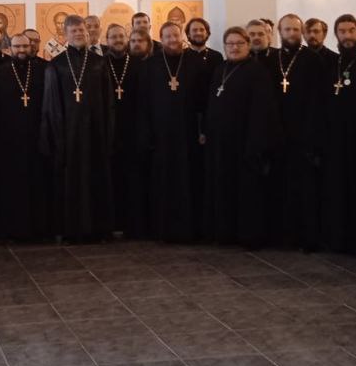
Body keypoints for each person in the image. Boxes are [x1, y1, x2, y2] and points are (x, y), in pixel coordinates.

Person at [40, 14, 115, 242]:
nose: (79, 34)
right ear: (65, 34)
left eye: (81, 30)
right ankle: (72, 230)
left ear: (87, 32)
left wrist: (109, 133)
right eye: (73, 31)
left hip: (95, 133)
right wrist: (56, 137)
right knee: (70, 181)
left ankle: (98, 229)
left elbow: (108, 102)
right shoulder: (56, 64)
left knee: (95, 179)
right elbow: (51, 105)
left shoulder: (99, 63)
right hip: (68, 135)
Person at [203, 27, 277, 247]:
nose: (234, 48)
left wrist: (255, 143)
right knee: (223, 188)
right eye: (230, 44)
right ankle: (225, 232)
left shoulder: (257, 72)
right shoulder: (220, 69)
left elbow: (262, 111)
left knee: (246, 191)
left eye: (239, 43)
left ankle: (248, 235)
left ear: (248, 45)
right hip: (221, 143)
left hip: (245, 143)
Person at [136, 22, 209, 243]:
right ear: (161, 38)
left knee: (190, 181)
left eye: (175, 35)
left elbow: (205, 100)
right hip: (161, 135)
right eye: (167, 36)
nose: (172, 40)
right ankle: (163, 229)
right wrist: (147, 134)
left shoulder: (196, 62)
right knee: (163, 182)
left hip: (189, 133)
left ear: (182, 36)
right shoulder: (150, 65)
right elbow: (143, 104)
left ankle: (191, 229)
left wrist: (203, 130)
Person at [0, 34, 50, 241]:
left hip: (36, 140)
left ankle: (38, 230)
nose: (21, 50)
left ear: (31, 48)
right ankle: (12, 230)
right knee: (11, 188)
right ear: (9, 48)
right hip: (8, 142)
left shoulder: (42, 71)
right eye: (17, 46)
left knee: (37, 186)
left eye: (25, 46)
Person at [268, 14, 327, 251]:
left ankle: (307, 238)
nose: (291, 34)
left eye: (295, 29)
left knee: (305, 190)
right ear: (279, 31)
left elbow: (318, 101)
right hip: (278, 133)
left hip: (303, 135)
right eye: (287, 29)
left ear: (301, 32)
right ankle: (284, 236)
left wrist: (312, 136)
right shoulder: (272, 59)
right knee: (280, 187)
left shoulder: (312, 59)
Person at [320, 15, 356, 254]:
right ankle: (337, 239)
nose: (347, 35)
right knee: (336, 191)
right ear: (336, 34)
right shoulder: (333, 63)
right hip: (335, 140)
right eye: (342, 31)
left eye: (351, 30)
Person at [106, 23, 147, 237]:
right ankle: (112, 223)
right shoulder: (100, 65)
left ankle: (134, 225)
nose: (118, 40)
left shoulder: (140, 65)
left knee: (134, 179)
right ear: (107, 41)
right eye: (113, 37)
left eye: (121, 36)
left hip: (133, 129)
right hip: (109, 131)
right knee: (111, 178)